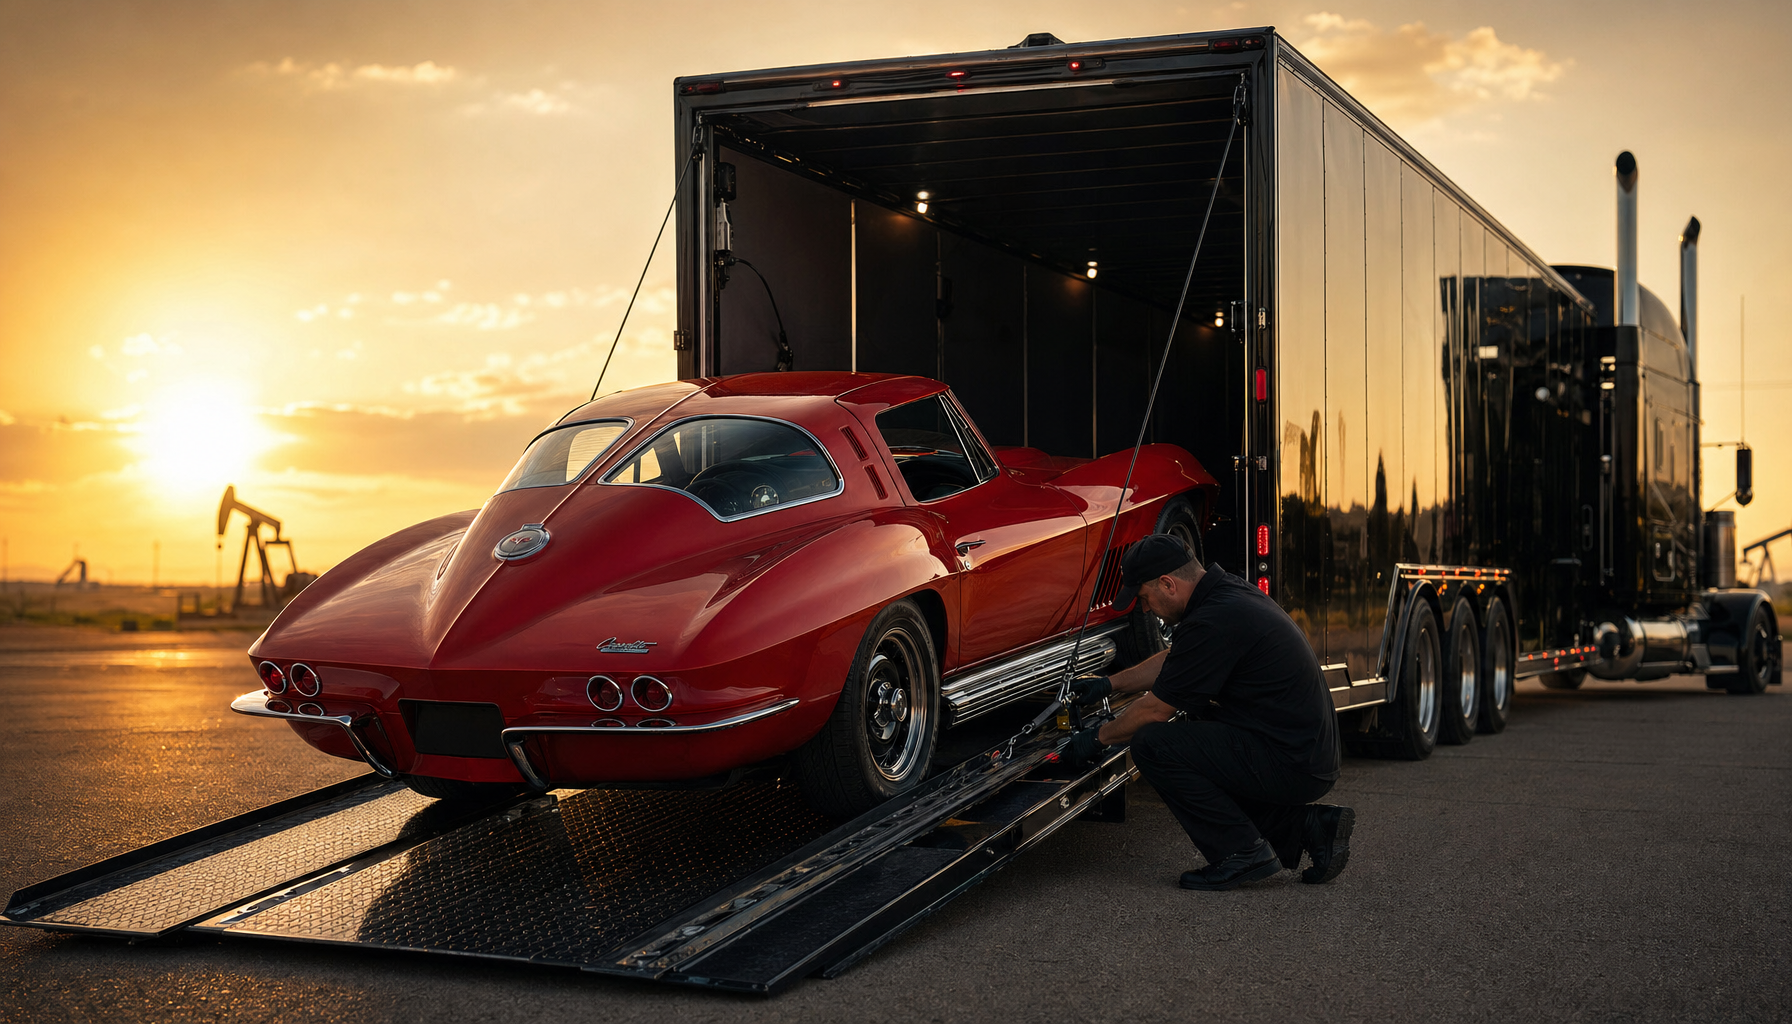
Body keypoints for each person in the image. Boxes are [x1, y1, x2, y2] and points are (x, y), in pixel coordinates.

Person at [1062, 534, 1353, 890]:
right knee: (1195, 731)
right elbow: (1178, 661)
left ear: (1167, 584)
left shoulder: (1215, 617)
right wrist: (1110, 684)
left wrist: (1095, 739)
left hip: (1294, 761)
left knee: (1155, 744)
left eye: (1143, 597)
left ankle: (1241, 854)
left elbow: (1155, 710)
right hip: (1299, 751)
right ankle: (1309, 827)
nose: (1144, 609)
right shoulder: (1225, 595)